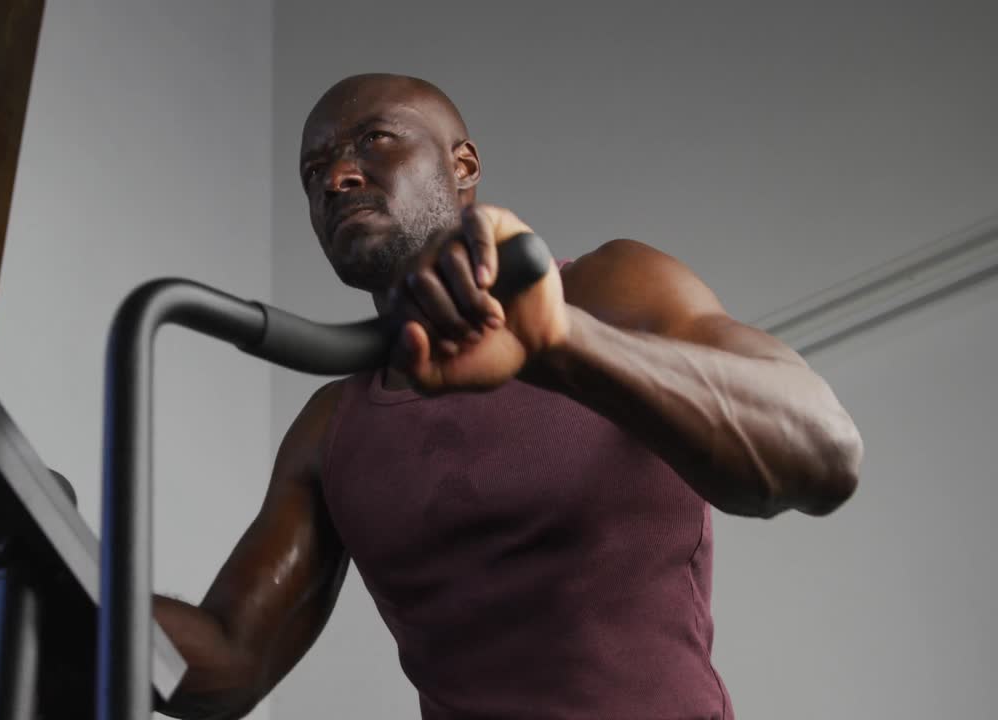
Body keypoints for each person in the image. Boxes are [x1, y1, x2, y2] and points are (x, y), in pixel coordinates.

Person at [153, 73, 864, 720]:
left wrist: (560, 344)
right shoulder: (329, 432)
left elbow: (823, 453)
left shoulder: (610, 290)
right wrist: (52, 561)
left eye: (373, 141)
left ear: (462, 166)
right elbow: (224, 670)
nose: (336, 177)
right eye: (313, 173)